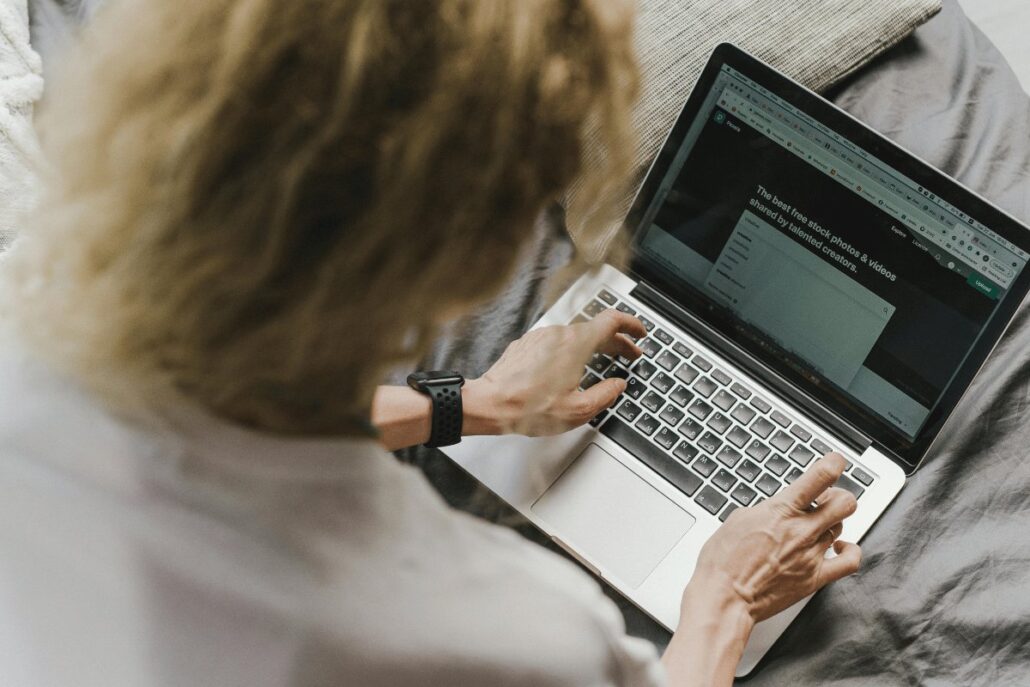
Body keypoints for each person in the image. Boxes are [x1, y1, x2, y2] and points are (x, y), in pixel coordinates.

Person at [0, 0, 860, 685]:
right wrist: (723, 599)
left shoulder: (22, 353)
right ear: (471, 260)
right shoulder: (501, 629)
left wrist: (473, 404)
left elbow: (225, 426)